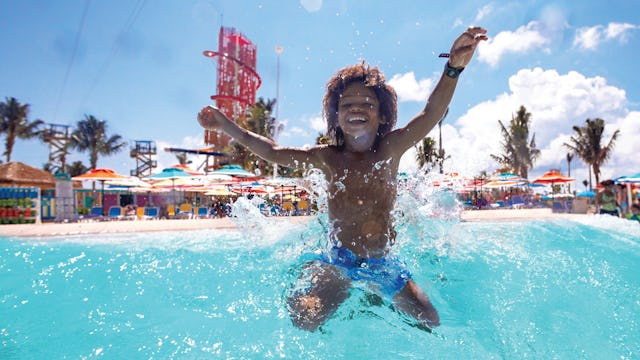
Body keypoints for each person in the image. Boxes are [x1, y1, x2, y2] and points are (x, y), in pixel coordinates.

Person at [198, 26, 487, 331]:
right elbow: (272, 151)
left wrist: (453, 69)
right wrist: (224, 125)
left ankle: (371, 296)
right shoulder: (327, 158)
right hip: (340, 261)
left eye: (367, 104)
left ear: (382, 115)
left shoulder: (390, 149)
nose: (357, 109)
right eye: (348, 104)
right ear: (336, 115)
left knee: (428, 319)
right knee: (305, 318)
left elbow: (431, 113)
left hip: (383, 263)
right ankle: (343, 287)